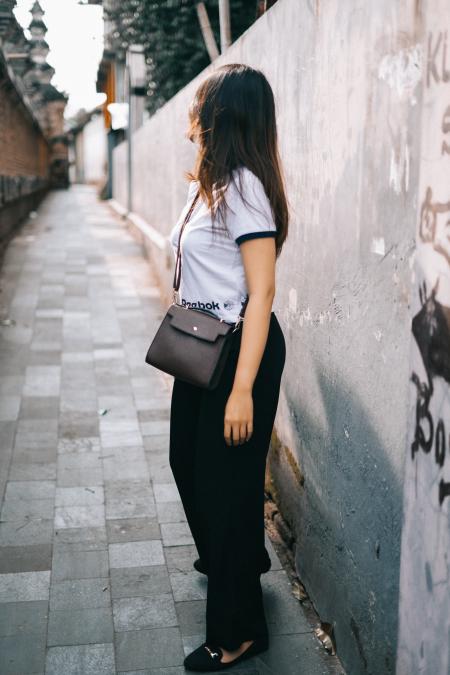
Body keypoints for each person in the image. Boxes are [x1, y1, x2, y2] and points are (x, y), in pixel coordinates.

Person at [168, 63, 289, 672]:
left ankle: (239, 630)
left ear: (223, 116)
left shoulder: (243, 186)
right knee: (186, 463)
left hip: (240, 352)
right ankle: (234, 561)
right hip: (202, 344)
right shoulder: (209, 183)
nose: (192, 119)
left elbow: (262, 292)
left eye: (200, 108)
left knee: (227, 486)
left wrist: (243, 388)